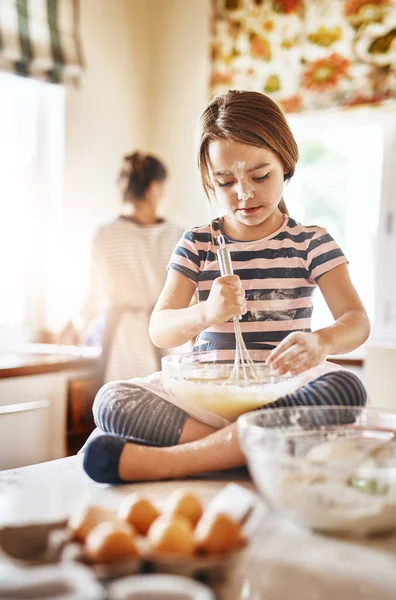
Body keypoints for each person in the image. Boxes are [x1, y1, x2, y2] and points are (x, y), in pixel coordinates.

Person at [82, 90, 370, 483]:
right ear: (209, 179)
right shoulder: (197, 243)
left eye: (260, 175)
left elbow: (355, 320)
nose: (244, 193)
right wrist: (206, 313)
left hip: (280, 395)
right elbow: (160, 327)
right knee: (112, 400)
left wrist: (321, 342)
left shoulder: (312, 242)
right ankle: (251, 450)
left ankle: (179, 461)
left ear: (286, 163)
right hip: (205, 396)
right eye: (225, 181)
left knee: (346, 387)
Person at [60, 151, 184, 383]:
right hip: (160, 338)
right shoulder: (179, 235)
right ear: (153, 189)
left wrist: (76, 322)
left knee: (124, 409)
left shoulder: (105, 234)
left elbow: (93, 297)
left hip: (126, 341)